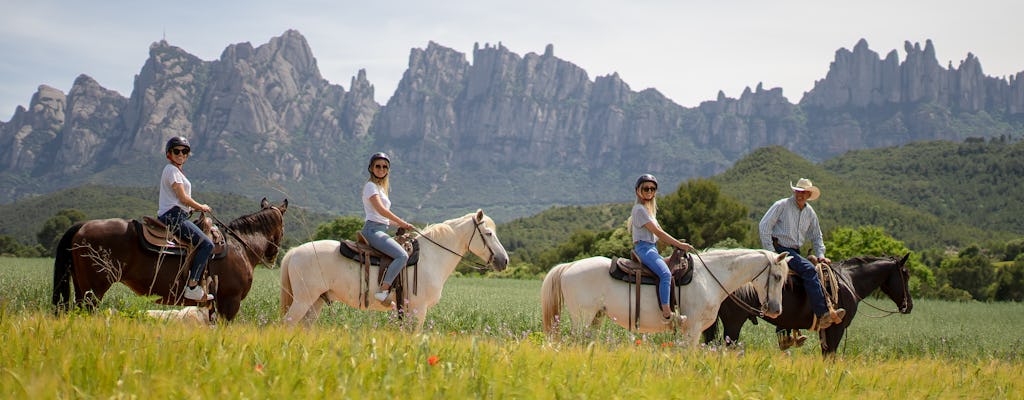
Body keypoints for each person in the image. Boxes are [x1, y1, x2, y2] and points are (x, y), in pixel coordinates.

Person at [759, 178, 846, 335]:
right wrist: (772, 253)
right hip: (780, 249)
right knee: (810, 271)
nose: (800, 195)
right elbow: (764, 226)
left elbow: (817, 236)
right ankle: (822, 313)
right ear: (794, 191)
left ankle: (785, 329)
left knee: (800, 280)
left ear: (809, 194)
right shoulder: (782, 205)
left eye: (804, 192)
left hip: (794, 252)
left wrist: (821, 255)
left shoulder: (809, 212)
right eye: (798, 191)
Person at [628, 174, 695, 322]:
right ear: (638, 191)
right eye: (646, 188)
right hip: (644, 249)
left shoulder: (649, 211)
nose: (649, 191)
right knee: (665, 274)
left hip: (652, 249)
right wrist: (679, 244)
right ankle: (667, 312)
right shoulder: (639, 210)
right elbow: (658, 232)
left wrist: (677, 245)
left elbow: (660, 234)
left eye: (653, 188)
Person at [157, 136, 214, 302]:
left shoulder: (176, 171)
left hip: (178, 214)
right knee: (206, 244)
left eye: (185, 151)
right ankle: (192, 286)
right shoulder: (171, 170)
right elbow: (182, 197)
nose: (181, 154)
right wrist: (201, 207)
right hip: (173, 217)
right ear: (169, 154)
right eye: (177, 151)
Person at [363, 152, 415, 302]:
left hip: (380, 228)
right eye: (377, 166)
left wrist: (400, 224)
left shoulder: (380, 189)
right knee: (402, 255)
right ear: (371, 168)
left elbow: (382, 218)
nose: (381, 169)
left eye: (384, 167)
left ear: (387, 170)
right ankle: (383, 291)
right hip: (372, 231)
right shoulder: (370, 186)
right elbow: (381, 211)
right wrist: (402, 222)